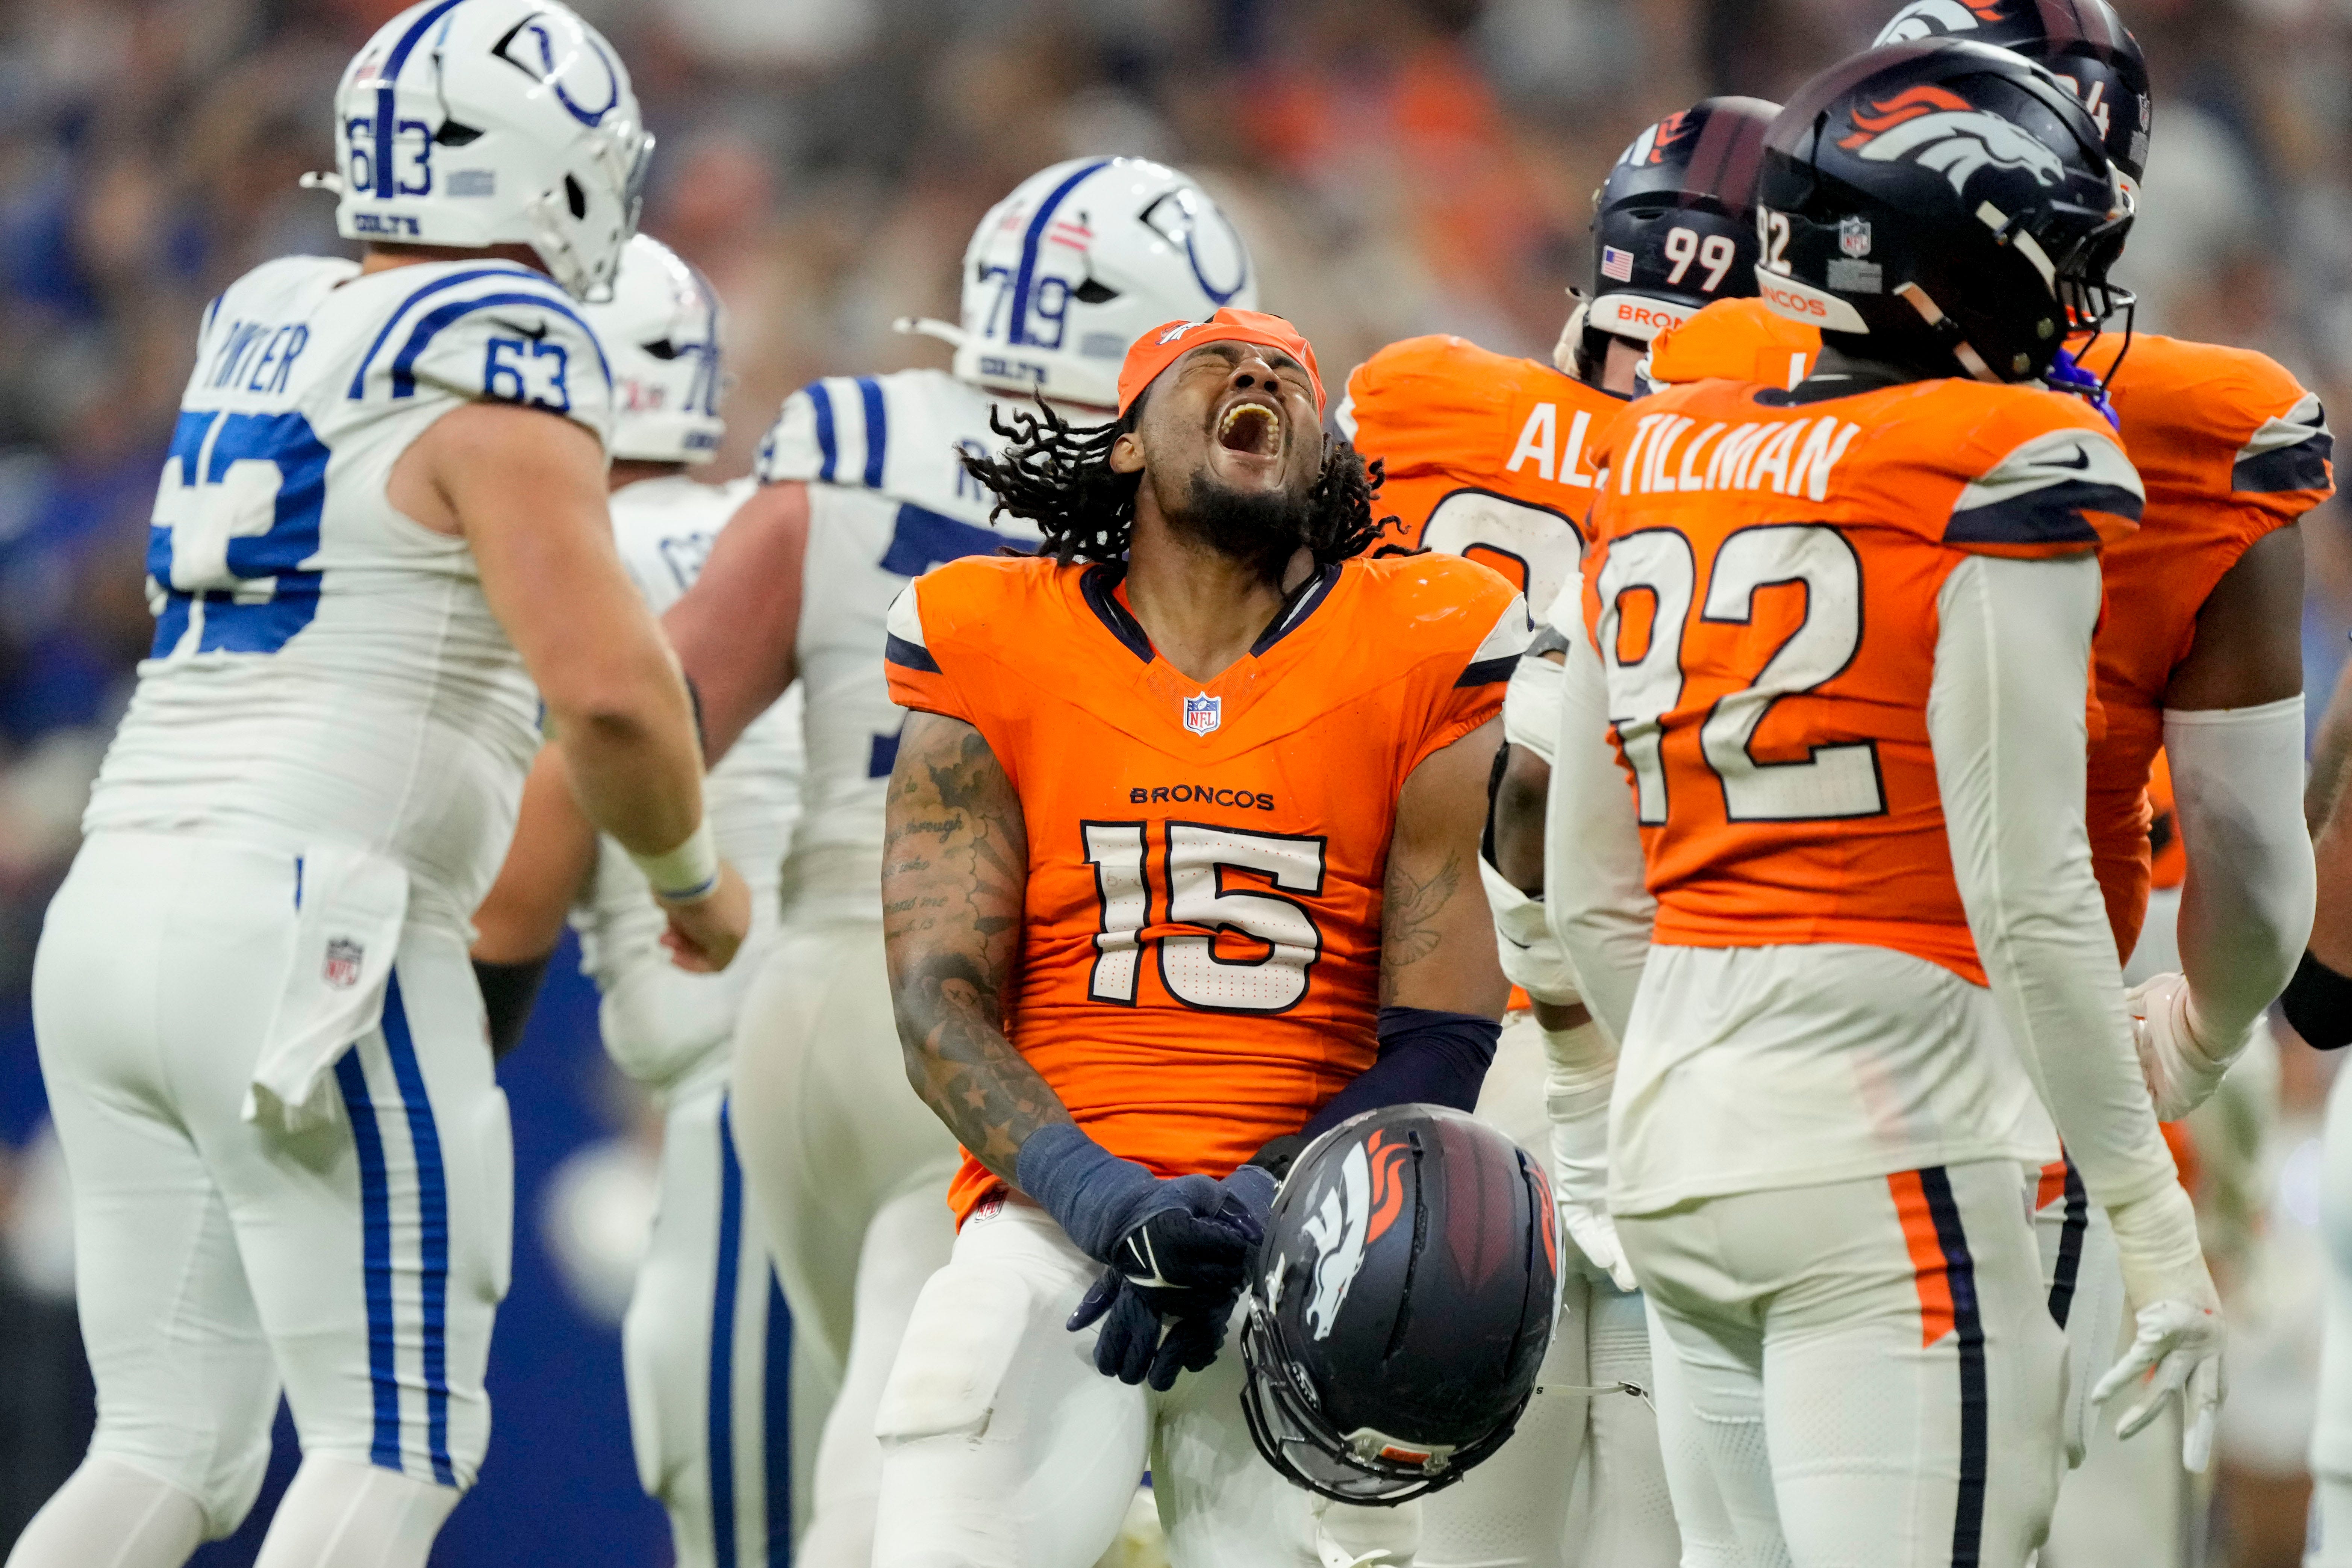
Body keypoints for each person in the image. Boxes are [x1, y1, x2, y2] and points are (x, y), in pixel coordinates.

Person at [9, 5, 750, 1567]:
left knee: (159, 1448)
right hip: (313, 922)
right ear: (541, 171)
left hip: (120, 896)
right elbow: (608, 690)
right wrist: (692, 877)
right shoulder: (500, 335)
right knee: (397, 1441)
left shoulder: (270, 305)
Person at [461, 155, 1262, 1562]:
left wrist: (679, 885)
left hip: (809, 1006)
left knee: (901, 1417)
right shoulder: (1191, 500)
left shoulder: (847, 440)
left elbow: (649, 721)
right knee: (939, 1460)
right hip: (1010, 1028)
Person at [1650, 8, 2328, 1540]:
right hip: (1978, 1081)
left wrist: (1597, 1071)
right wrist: (2192, 1053)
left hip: (1687, 1077)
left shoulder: (1691, 397)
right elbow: (2198, 873)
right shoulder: (2092, 440)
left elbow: (1566, 829)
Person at [873, 307, 1525, 1565]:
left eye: (1292, 368)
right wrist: (1113, 1204)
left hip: (1327, 1246)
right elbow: (933, 1007)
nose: (1265, 372)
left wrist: (1253, 1199)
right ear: (1124, 444)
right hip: (1057, 1229)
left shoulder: (1425, 632)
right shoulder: (989, 629)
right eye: (1218, 360)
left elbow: (1444, 1035)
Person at [1338, 94, 1778, 1568]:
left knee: (1436, 1530)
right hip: (1676, 1033)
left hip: (1422, 1036)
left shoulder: (1412, 400)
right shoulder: (1785, 476)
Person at [467, 233, 809, 1568]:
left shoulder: (540, 562)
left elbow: (526, 850)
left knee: (726, 1504)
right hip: (919, 1071)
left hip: (736, 1077)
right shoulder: (794, 525)